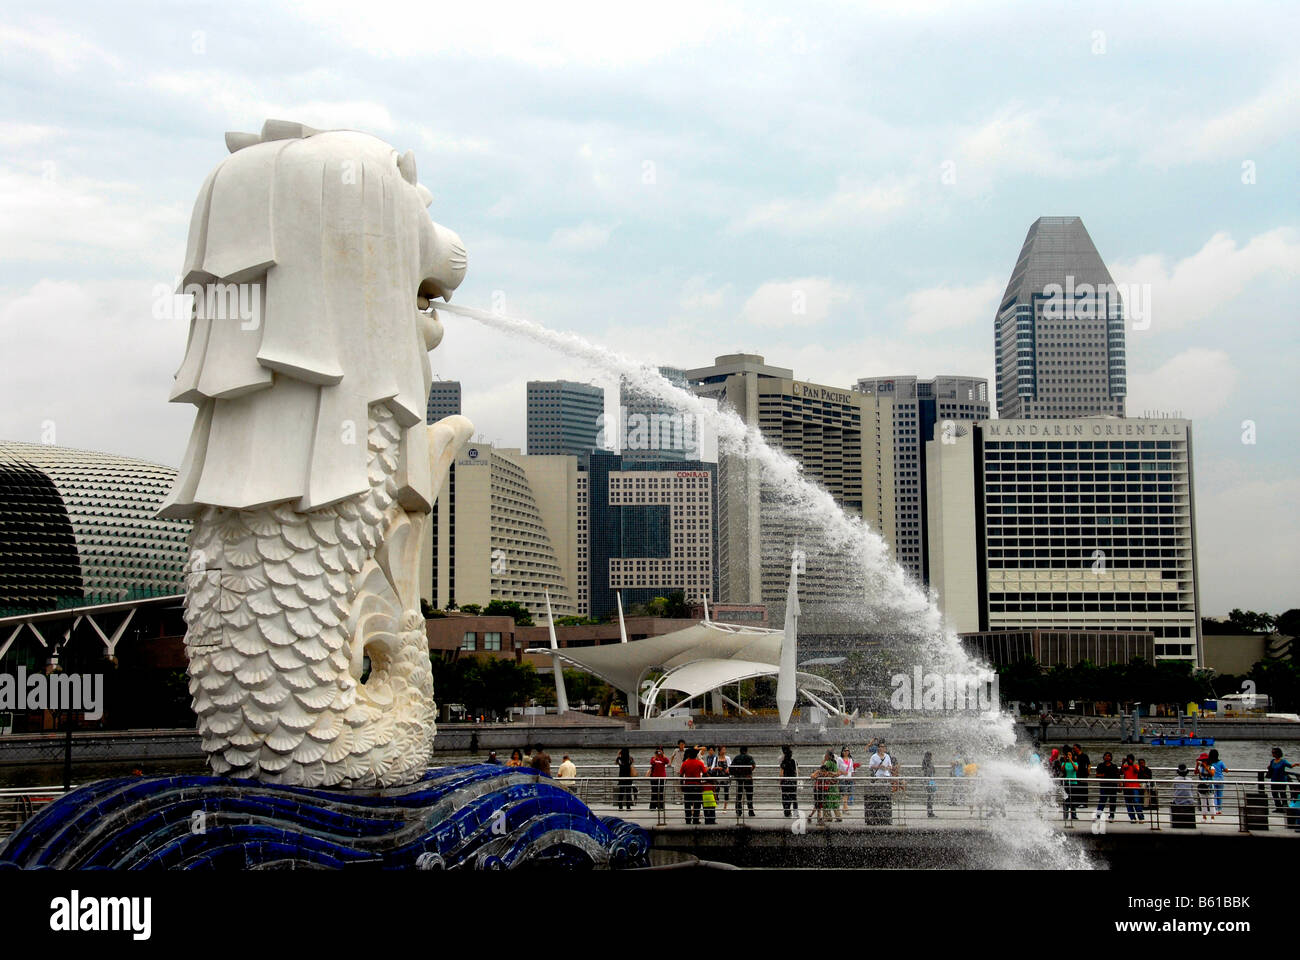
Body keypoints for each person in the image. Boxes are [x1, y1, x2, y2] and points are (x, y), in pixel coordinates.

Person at [679, 747, 708, 825]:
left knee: (687, 804)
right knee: (697, 803)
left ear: (688, 755)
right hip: (697, 786)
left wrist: (682, 785)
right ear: (696, 755)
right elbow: (705, 774)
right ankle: (695, 819)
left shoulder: (685, 763)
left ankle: (688, 820)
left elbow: (681, 775)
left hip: (687, 785)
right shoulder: (700, 763)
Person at [812, 750, 841, 824]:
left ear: (828, 756)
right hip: (834, 785)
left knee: (827, 801)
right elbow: (837, 772)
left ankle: (828, 817)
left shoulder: (828, 762)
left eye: (826, 755)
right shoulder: (834, 762)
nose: (825, 756)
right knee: (835, 801)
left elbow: (822, 769)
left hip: (829, 785)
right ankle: (838, 816)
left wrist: (823, 762)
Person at [731, 746, 757, 818]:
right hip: (748, 778)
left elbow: (732, 767)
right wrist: (749, 771)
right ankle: (750, 811)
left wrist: (738, 772)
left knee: (739, 795)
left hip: (739, 779)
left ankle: (739, 811)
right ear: (746, 751)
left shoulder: (736, 758)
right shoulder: (749, 757)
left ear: (740, 751)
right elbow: (753, 765)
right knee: (749, 795)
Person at [1267, 748, 1295, 813]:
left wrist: (1296, 764)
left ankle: (1284, 808)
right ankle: (1278, 808)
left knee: (1282, 794)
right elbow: (1270, 767)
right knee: (1274, 794)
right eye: (1272, 752)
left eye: (1274, 752)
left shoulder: (1283, 761)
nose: (1272, 754)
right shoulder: (1272, 761)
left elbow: (1290, 766)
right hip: (1274, 780)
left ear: (1278, 753)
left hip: (1282, 780)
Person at [1094, 751, 1120, 820]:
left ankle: (1111, 816)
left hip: (1113, 786)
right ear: (1103, 757)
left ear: (1111, 757)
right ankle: (1098, 815)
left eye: (1108, 756)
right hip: (1104, 786)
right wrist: (1102, 775)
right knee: (1102, 801)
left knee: (1112, 801)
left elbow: (1118, 775)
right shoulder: (1100, 765)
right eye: (1106, 756)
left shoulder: (1114, 766)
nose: (1107, 757)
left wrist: (1120, 784)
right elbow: (1097, 775)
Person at [1171, 762, 1196, 828]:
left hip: (1178, 801)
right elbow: (1191, 789)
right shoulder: (1190, 780)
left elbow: (1174, 788)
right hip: (1189, 801)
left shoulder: (1175, 780)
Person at [1121, 754, 1143, 822]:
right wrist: (1122, 763)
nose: (1129, 760)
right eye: (1128, 759)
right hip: (1127, 787)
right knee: (1128, 803)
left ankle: (1140, 817)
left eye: (1130, 759)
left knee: (1136, 802)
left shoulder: (1136, 766)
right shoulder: (1125, 766)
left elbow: (1137, 771)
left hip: (1134, 787)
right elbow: (1121, 772)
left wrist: (1131, 764)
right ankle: (1132, 818)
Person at [779, 745, 799, 818]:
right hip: (793, 781)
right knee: (794, 797)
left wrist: (780, 782)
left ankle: (787, 812)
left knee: (785, 797)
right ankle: (796, 813)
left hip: (785, 781)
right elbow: (796, 771)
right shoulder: (794, 761)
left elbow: (781, 774)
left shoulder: (783, 762)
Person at [1194, 751, 1214, 821]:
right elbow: (1195, 772)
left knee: (1211, 802)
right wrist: (1197, 765)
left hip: (1210, 787)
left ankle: (1212, 817)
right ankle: (1204, 817)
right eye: (1202, 760)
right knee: (1203, 803)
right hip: (1202, 786)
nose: (1203, 761)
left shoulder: (1211, 766)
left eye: (1204, 760)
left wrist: (1205, 766)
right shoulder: (1200, 767)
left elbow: (1212, 774)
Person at [1060, 749, 1079, 821]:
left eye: (1070, 755)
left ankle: (1074, 815)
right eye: (1068, 755)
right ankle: (1065, 815)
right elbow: (1062, 769)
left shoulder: (1075, 763)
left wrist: (1071, 760)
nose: (1069, 756)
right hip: (1067, 783)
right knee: (1066, 799)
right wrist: (1065, 761)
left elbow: (1076, 769)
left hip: (1074, 783)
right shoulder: (1064, 763)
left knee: (1073, 799)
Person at [1208, 749, 1227, 817]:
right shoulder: (1220, 762)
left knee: (1214, 795)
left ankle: (1215, 809)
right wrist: (1222, 770)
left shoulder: (1210, 763)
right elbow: (1226, 770)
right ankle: (1219, 810)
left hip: (1213, 780)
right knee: (1220, 795)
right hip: (1220, 780)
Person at [714, 745, 731, 810]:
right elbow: (713, 767)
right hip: (718, 776)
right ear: (719, 751)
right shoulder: (716, 758)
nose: (724, 751)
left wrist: (728, 769)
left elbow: (731, 766)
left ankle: (725, 807)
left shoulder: (727, 758)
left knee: (726, 790)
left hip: (726, 776)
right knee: (716, 790)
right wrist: (718, 767)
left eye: (725, 749)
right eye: (723, 750)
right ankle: (715, 802)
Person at [921, 751, 937, 818]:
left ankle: (930, 811)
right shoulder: (928, 763)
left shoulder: (926, 763)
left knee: (930, 797)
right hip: (930, 781)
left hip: (929, 781)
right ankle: (930, 812)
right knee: (930, 797)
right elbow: (932, 771)